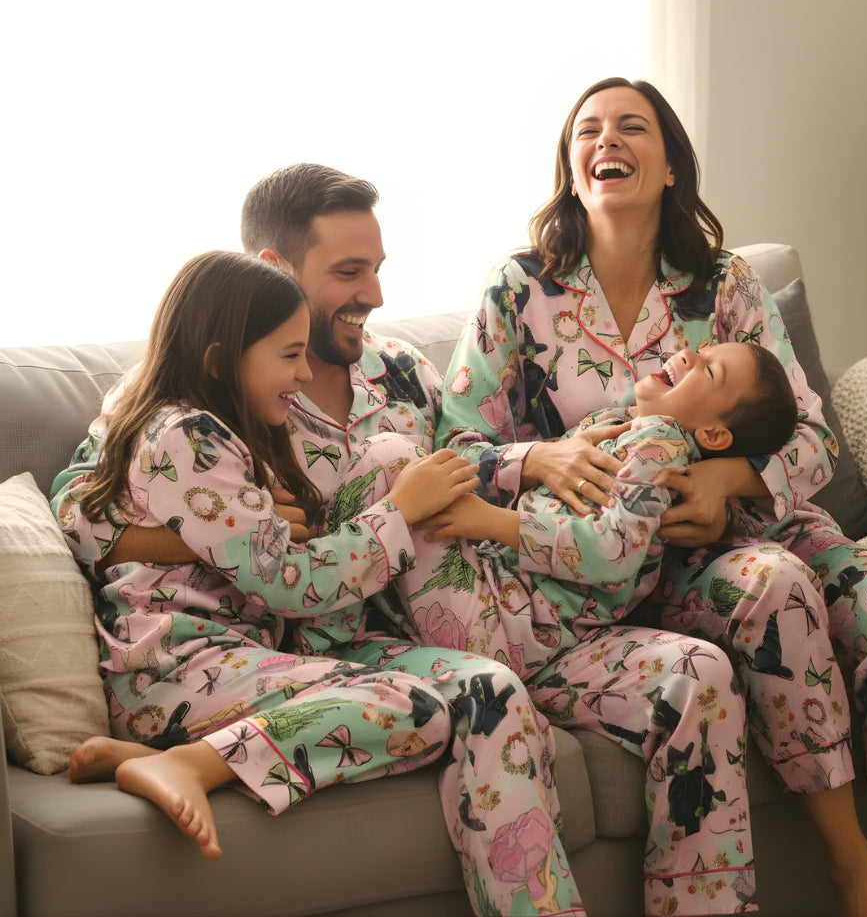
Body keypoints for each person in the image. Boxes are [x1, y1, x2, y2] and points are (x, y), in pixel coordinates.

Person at [436, 77, 867, 917]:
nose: (607, 141)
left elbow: (814, 433)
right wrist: (542, 460)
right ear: (571, 169)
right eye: (589, 131)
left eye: (631, 127)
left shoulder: (726, 285)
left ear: (672, 163)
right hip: (648, 559)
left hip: (770, 521)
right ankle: (851, 869)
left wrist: (730, 477)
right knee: (768, 588)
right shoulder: (518, 291)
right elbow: (455, 444)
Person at [54, 250, 586, 915]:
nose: (305, 374)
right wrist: (402, 509)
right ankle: (190, 760)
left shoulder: (265, 412)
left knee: (489, 688)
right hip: (181, 668)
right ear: (220, 359)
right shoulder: (182, 430)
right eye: (288, 357)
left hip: (292, 647)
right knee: (418, 709)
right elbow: (281, 580)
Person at [403, 340, 797, 677]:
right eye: (703, 350)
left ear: (713, 434)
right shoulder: (624, 423)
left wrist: (491, 521)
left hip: (514, 625)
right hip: (497, 585)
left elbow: (612, 554)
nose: (689, 354)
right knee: (408, 485)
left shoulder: (661, 448)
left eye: (710, 371)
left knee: (394, 466)